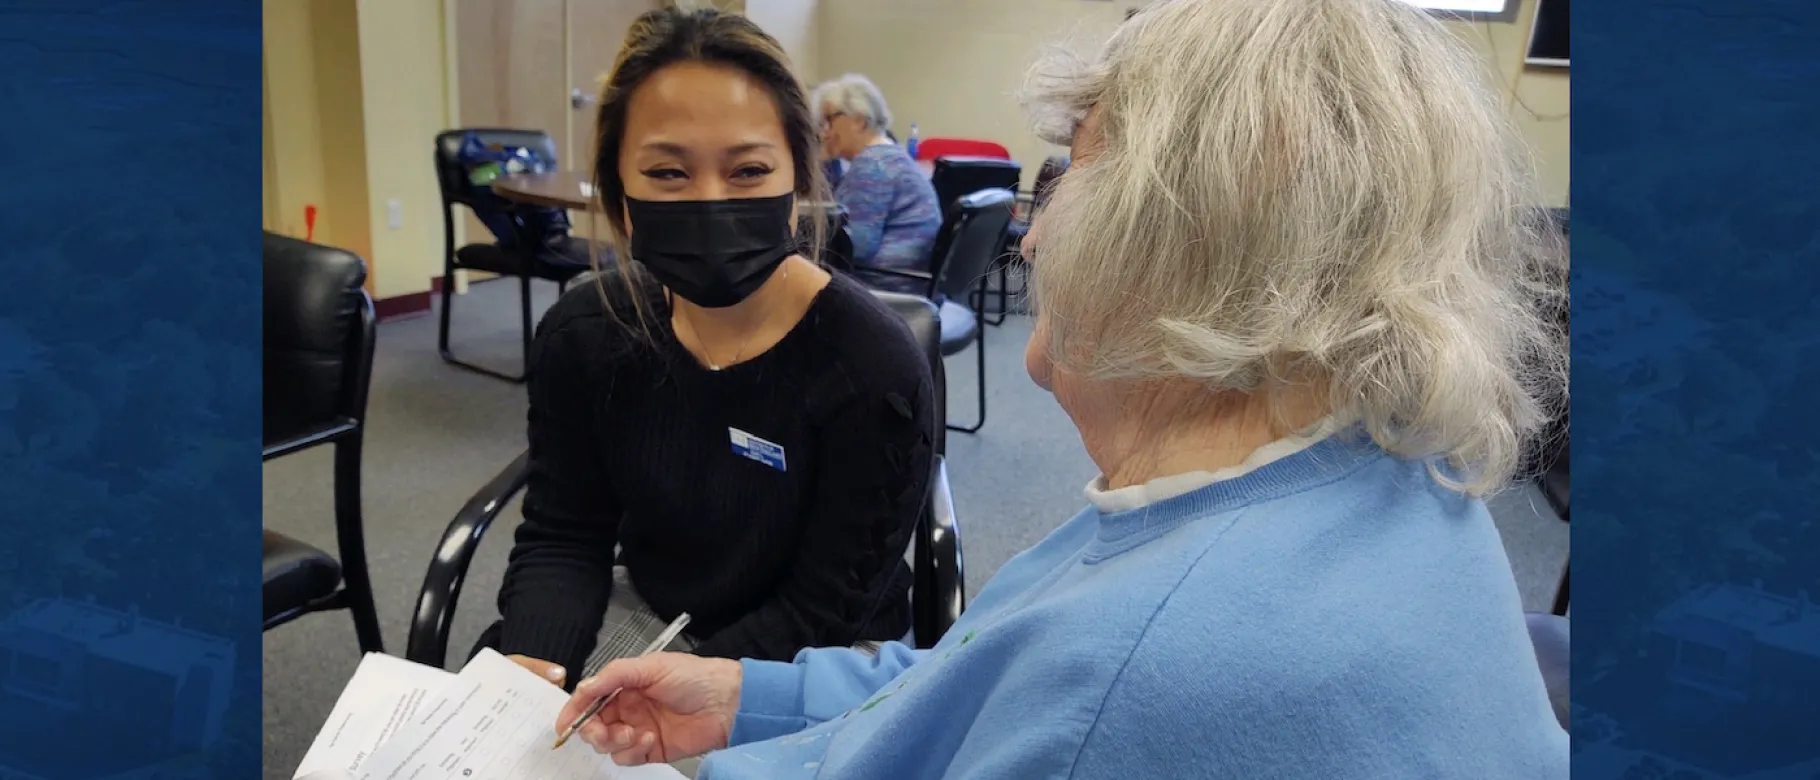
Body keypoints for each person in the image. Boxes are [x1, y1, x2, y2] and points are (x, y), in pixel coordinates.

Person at [557, 0, 1569, 777]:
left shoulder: (1151, 669)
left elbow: (1069, 698)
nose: (1034, 238)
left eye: (1068, 177)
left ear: (1180, 239)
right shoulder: (1351, 479)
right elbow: (983, 676)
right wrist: (746, 699)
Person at [486, 7, 937, 691]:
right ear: (620, 192)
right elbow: (565, 534)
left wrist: (679, 695)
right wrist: (533, 668)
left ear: (799, 183)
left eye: (749, 170)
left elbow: (826, 606)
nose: (709, 201)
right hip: (654, 612)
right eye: (668, 173)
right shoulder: (584, 335)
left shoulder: (870, 367)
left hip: (824, 650)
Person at [812, 74, 942, 294]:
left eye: (829, 120)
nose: (824, 132)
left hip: (886, 285)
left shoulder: (872, 166)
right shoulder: (891, 156)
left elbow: (852, 248)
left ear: (860, 121)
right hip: (911, 280)